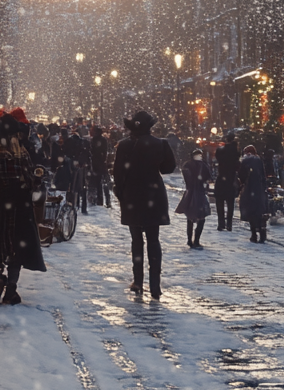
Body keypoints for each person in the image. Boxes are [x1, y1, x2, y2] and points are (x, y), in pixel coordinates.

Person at [0, 112, 46, 304]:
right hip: (20, 209)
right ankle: (11, 289)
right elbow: (30, 182)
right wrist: (36, 180)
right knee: (16, 249)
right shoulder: (21, 154)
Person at [113, 110, 177, 298]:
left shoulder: (124, 146)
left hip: (132, 195)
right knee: (154, 239)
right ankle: (155, 285)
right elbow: (167, 168)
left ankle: (138, 281)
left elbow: (118, 173)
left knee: (136, 240)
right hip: (154, 194)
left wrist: (121, 191)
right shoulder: (161, 144)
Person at [177, 148, 212, 247]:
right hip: (200, 193)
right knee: (201, 217)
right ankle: (196, 240)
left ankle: (189, 240)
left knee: (190, 217)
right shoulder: (203, 165)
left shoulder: (187, 165)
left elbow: (186, 177)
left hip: (190, 193)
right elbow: (208, 178)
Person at [238, 144, 271, 243]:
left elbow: (241, 175)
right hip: (259, 189)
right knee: (260, 211)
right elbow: (263, 175)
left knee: (250, 211)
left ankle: (254, 234)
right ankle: (262, 232)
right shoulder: (258, 160)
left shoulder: (244, 161)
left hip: (249, 189)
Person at [213, 132, 240, 231]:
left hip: (221, 179)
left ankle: (221, 223)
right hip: (231, 179)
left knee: (219, 203)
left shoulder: (220, 151)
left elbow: (217, 158)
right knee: (230, 204)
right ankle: (229, 224)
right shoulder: (236, 152)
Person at [89, 125, 112, 208]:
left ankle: (99, 200)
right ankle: (107, 201)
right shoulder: (104, 140)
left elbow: (91, 151)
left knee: (97, 182)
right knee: (105, 183)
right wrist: (104, 160)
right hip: (102, 163)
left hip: (96, 163)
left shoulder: (94, 140)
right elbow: (105, 151)